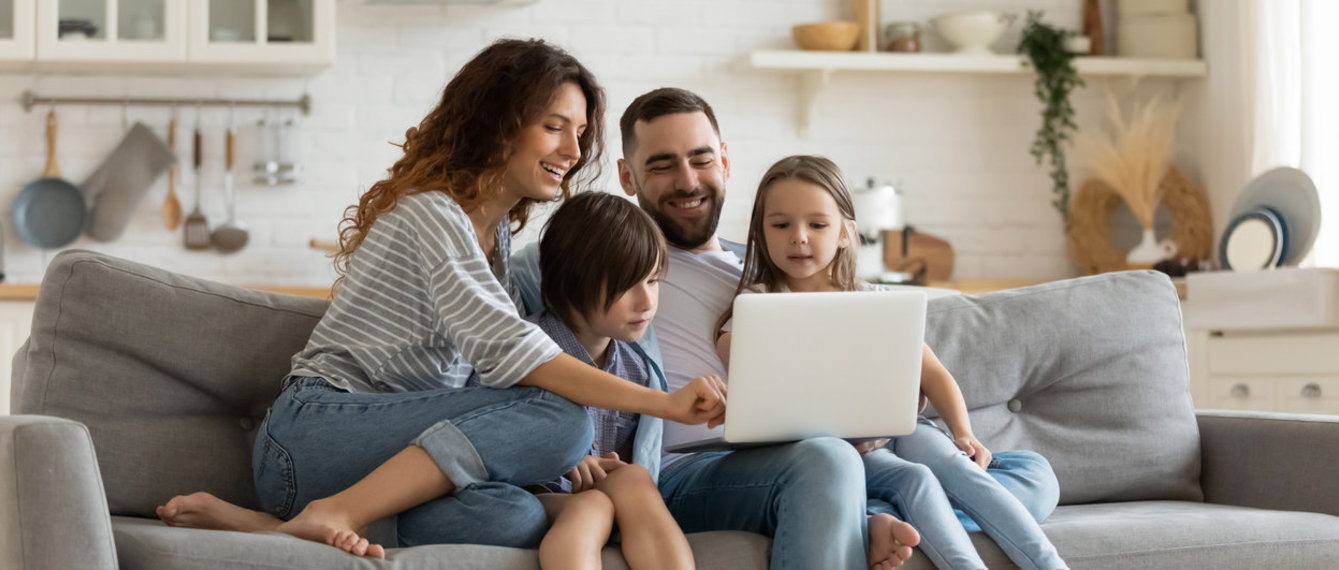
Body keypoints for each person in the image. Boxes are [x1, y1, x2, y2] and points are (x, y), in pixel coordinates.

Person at [156, 39, 726, 558]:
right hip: (314, 435)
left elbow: (496, 381)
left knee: (517, 516)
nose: (574, 150)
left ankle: (274, 527)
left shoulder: (497, 240)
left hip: (382, 458)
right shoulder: (433, 214)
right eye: (556, 126)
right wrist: (668, 404)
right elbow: (517, 356)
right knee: (565, 420)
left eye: (579, 132)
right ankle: (333, 512)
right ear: (500, 124)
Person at [513, 87, 1064, 570]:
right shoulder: (606, 261)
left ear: (725, 162)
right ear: (629, 177)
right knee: (830, 459)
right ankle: (858, 513)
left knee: (1032, 474)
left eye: (701, 159)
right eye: (662, 165)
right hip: (692, 469)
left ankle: (861, 514)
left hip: (823, 451)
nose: (687, 180)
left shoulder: (773, 268)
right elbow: (528, 347)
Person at [713, 154, 1068, 570]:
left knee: (961, 466)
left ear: (846, 233)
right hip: (842, 451)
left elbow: (932, 373)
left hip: (903, 428)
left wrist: (963, 432)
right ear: (761, 231)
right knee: (915, 479)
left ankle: (1048, 564)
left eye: (817, 224)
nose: (799, 237)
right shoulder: (756, 309)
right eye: (781, 225)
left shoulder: (874, 301)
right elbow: (754, 389)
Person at [493, 191, 694, 569]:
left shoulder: (635, 369)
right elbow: (483, 433)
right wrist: (562, 456)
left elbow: (631, 460)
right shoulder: (524, 349)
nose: (647, 301)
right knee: (593, 506)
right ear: (573, 281)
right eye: (627, 285)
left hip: (602, 492)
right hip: (527, 495)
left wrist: (613, 466)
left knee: (634, 479)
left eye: (652, 281)